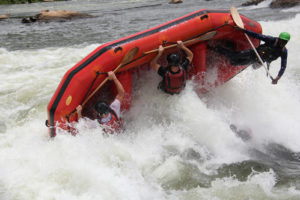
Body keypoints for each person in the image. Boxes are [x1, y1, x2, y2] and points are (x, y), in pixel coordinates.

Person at [214, 29, 290, 84]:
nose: (283, 43)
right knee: (234, 56)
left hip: (257, 60)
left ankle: (227, 51)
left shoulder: (284, 52)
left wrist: (277, 78)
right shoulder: (271, 40)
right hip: (254, 53)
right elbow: (257, 36)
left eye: (285, 41)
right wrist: (244, 30)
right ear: (279, 39)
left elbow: (283, 66)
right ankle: (215, 48)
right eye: (282, 40)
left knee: (234, 63)